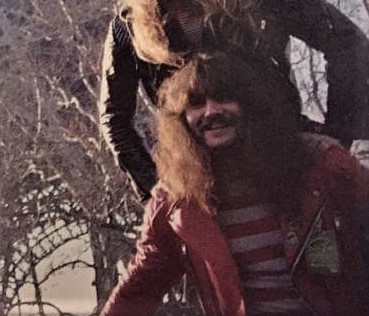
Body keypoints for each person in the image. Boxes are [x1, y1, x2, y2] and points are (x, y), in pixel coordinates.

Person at [98, 0, 369, 200]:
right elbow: (114, 118)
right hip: (205, 180)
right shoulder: (128, 28)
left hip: (284, 152)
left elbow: (343, 38)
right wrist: (156, 189)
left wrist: (339, 132)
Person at [103, 54, 369, 315]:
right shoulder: (176, 202)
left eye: (223, 97)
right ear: (181, 119)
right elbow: (138, 289)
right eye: (196, 103)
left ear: (250, 105)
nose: (211, 111)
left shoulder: (322, 165)